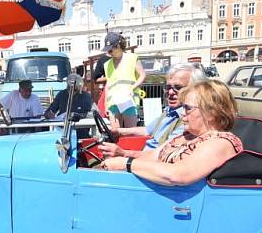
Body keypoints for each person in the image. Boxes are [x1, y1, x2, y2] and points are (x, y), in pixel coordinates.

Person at [101, 80, 243, 186]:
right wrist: (119, 157)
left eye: (188, 108)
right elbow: (151, 157)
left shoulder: (220, 142)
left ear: (211, 113)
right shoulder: (185, 137)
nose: (182, 113)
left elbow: (178, 175)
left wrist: (126, 163)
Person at [99, 62, 206, 159]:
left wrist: (123, 153)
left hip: (153, 166)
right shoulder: (170, 111)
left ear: (194, 89)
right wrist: (119, 131)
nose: (170, 92)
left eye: (178, 87)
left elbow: (164, 153)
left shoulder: (189, 119)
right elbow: (148, 130)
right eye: (168, 87)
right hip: (144, 160)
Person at [101, 32, 146, 128]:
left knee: (130, 133)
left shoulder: (132, 58)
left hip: (129, 101)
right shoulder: (107, 64)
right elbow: (108, 85)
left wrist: (132, 87)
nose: (108, 53)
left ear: (118, 46)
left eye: (110, 50)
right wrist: (106, 106)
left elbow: (142, 75)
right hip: (113, 103)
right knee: (116, 135)